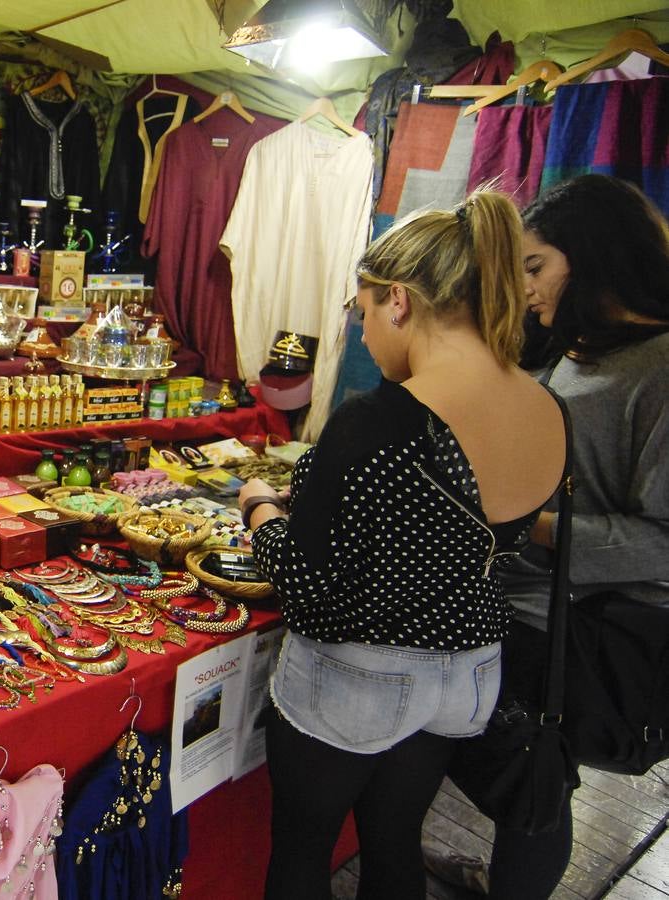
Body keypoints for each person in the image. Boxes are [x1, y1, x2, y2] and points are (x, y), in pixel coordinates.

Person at [238, 188, 566, 899]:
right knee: (392, 842)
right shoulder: (545, 405)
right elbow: (471, 531)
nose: (360, 335)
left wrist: (260, 510)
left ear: (397, 300)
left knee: (302, 853)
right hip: (466, 674)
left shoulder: (375, 423)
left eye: (359, 315)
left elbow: (310, 594)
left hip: (357, 675)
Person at [429, 176, 669, 899]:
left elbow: (661, 541)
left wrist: (522, 519)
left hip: (587, 621)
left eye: (536, 268)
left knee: (531, 768)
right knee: (514, 761)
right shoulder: (573, 349)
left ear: (593, 253)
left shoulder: (658, 369)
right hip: (525, 592)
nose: (527, 288)